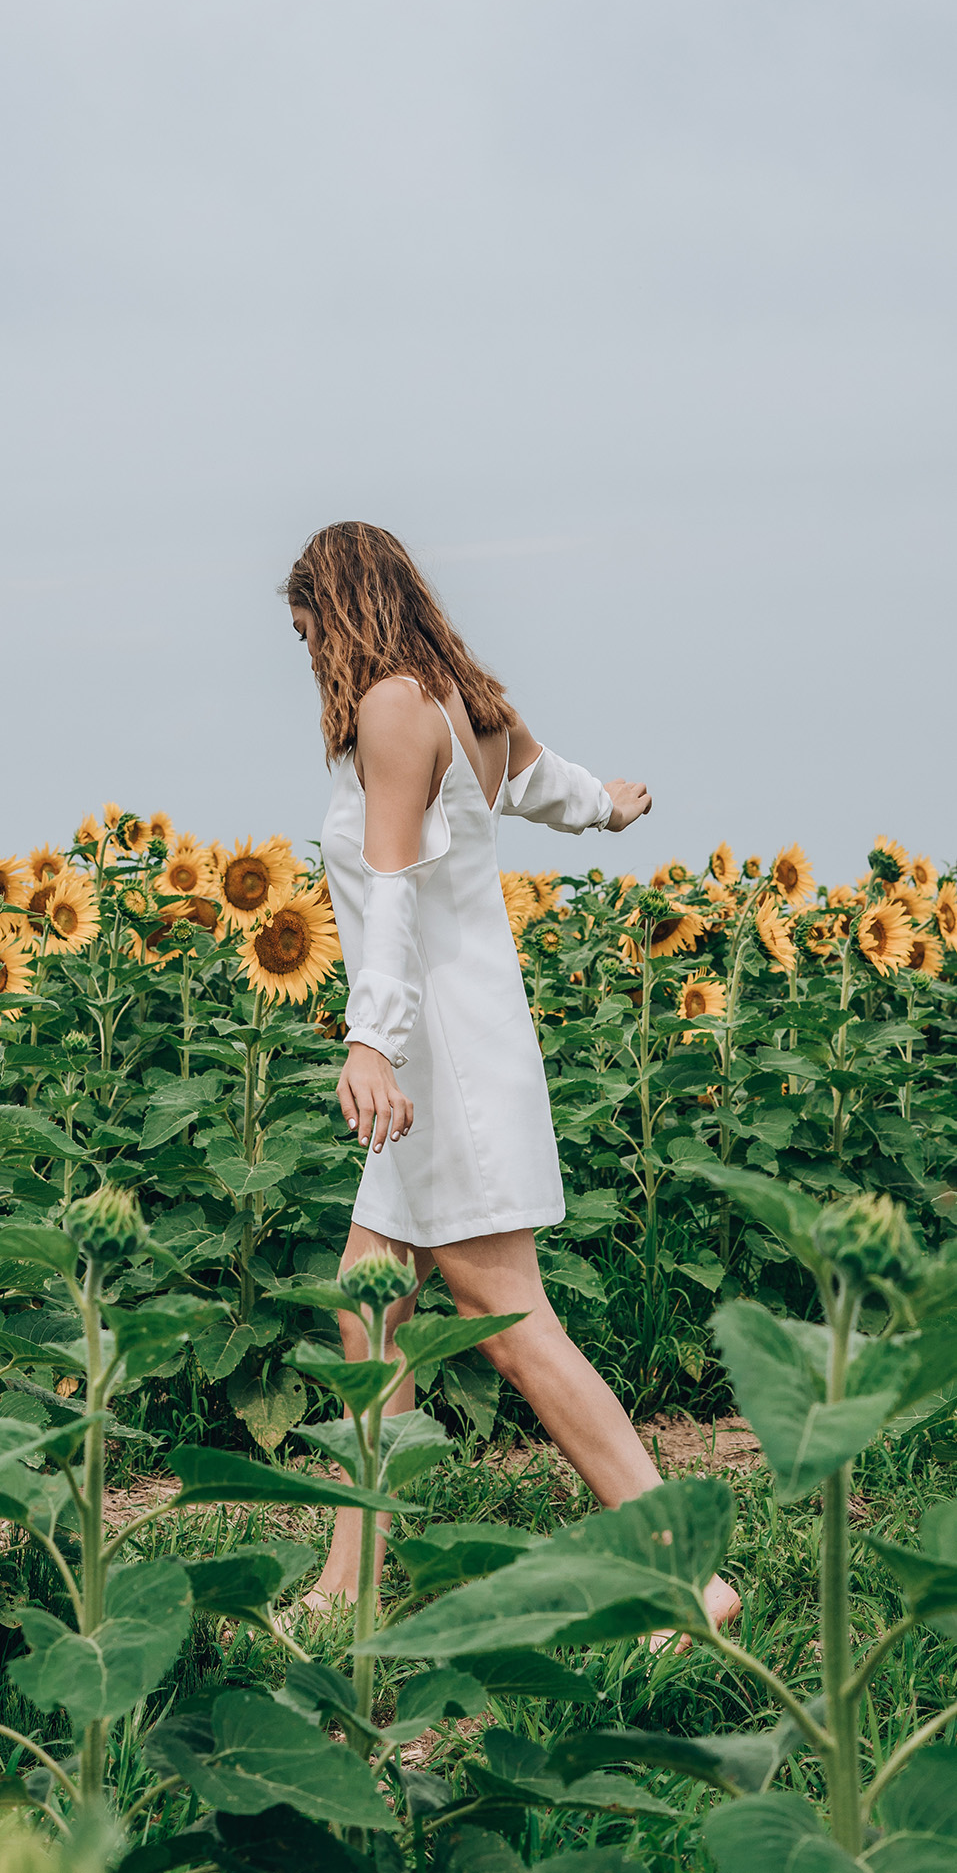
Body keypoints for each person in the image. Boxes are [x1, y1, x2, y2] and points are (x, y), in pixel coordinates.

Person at [283, 520, 738, 1637]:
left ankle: (692, 1576)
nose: (307, 660)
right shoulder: (463, 697)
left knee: (506, 1314)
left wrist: (369, 1040)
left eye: (306, 633)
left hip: (436, 1060)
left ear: (336, 613)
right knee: (368, 1311)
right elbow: (543, 780)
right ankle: (348, 1587)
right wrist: (611, 807)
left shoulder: (393, 704)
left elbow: (390, 886)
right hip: (459, 1046)